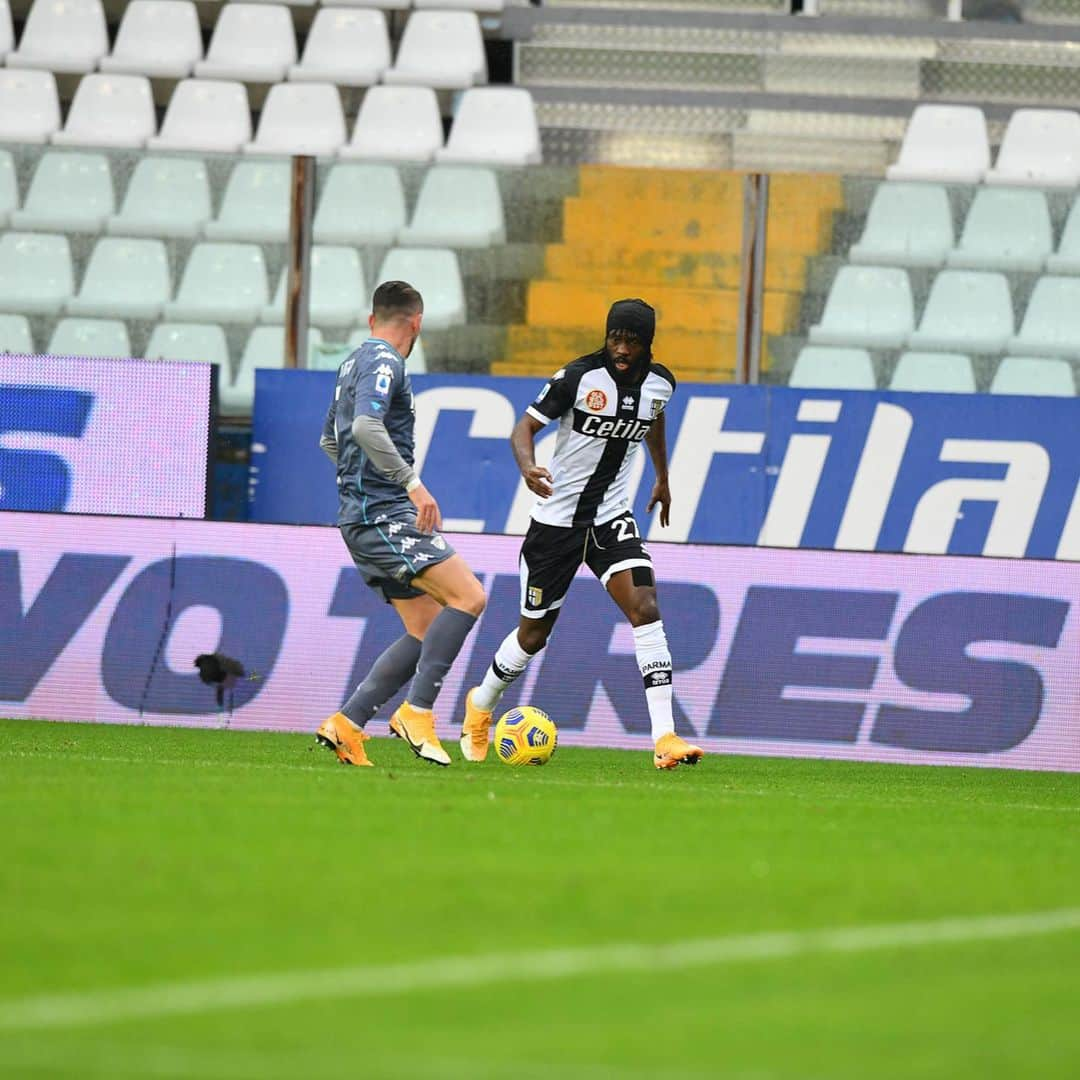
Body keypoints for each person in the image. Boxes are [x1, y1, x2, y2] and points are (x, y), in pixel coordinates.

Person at [459, 298, 704, 770]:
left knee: (645, 608)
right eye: (615, 337)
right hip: (556, 525)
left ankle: (665, 737)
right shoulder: (578, 377)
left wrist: (663, 476)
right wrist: (529, 466)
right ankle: (481, 705)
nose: (621, 348)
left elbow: (652, 418)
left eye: (631, 340)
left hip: (611, 518)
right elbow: (523, 428)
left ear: (647, 344)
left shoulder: (661, 385)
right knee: (533, 635)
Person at [314, 280, 486, 768]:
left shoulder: (351, 362)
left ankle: (348, 723)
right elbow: (366, 428)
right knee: (470, 596)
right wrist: (409, 485)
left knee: (426, 626)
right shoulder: (388, 362)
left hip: (364, 513)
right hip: (382, 512)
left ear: (373, 320)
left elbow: (331, 439)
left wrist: (358, 486)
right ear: (417, 323)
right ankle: (418, 711)